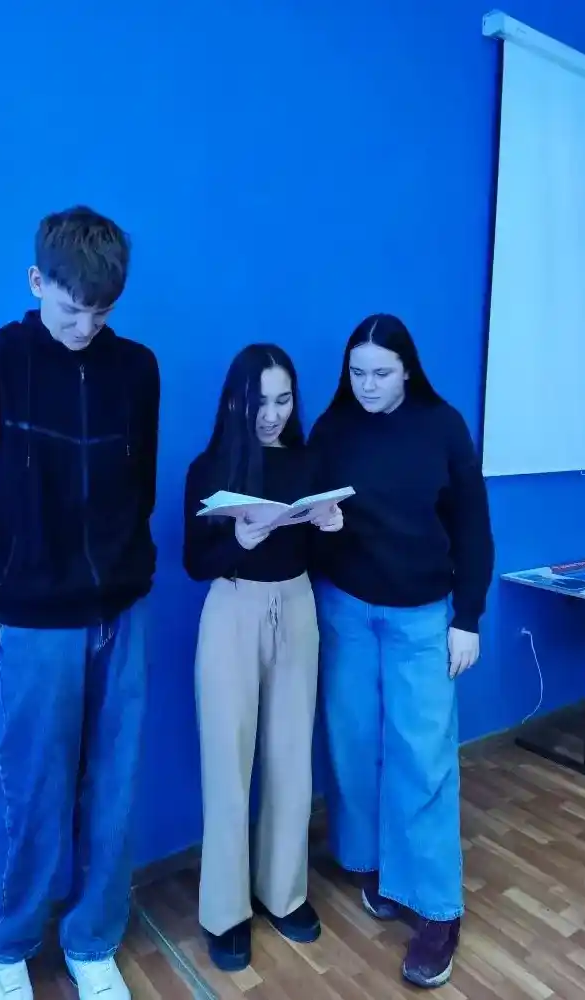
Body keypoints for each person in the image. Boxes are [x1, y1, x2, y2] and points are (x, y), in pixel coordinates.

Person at [0, 207, 160, 1000]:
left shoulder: (138, 370)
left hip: (122, 612)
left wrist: (123, 572)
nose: (86, 327)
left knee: (114, 788)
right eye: (71, 308)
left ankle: (93, 941)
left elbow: (139, 489)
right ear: (36, 281)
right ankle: (8, 944)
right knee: (33, 788)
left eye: (102, 312)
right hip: (33, 619)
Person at [309, 314, 494, 990]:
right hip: (346, 611)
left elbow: (473, 525)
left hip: (422, 618)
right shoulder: (333, 429)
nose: (367, 385)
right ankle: (376, 867)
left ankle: (438, 910)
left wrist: (467, 617)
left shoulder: (442, 427)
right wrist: (321, 526)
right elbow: (312, 525)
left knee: (423, 757)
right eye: (357, 373)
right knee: (354, 745)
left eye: (381, 373)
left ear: (408, 369)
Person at [183, 345, 342, 972]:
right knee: (228, 762)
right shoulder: (209, 468)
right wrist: (239, 540)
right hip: (232, 609)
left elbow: (319, 558)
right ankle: (225, 912)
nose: (272, 415)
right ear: (235, 402)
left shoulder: (308, 462)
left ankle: (283, 893)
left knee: (291, 757)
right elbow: (194, 563)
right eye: (260, 402)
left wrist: (330, 528)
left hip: (297, 607)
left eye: (284, 400)